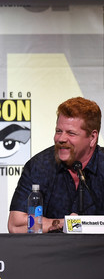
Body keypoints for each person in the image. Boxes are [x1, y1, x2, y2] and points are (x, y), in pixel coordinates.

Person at [8, 97, 104, 233]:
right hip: (51, 252)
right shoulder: (39, 166)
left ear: (92, 137)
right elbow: (16, 225)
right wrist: (65, 224)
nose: (61, 139)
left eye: (71, 133)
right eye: (59, 131)